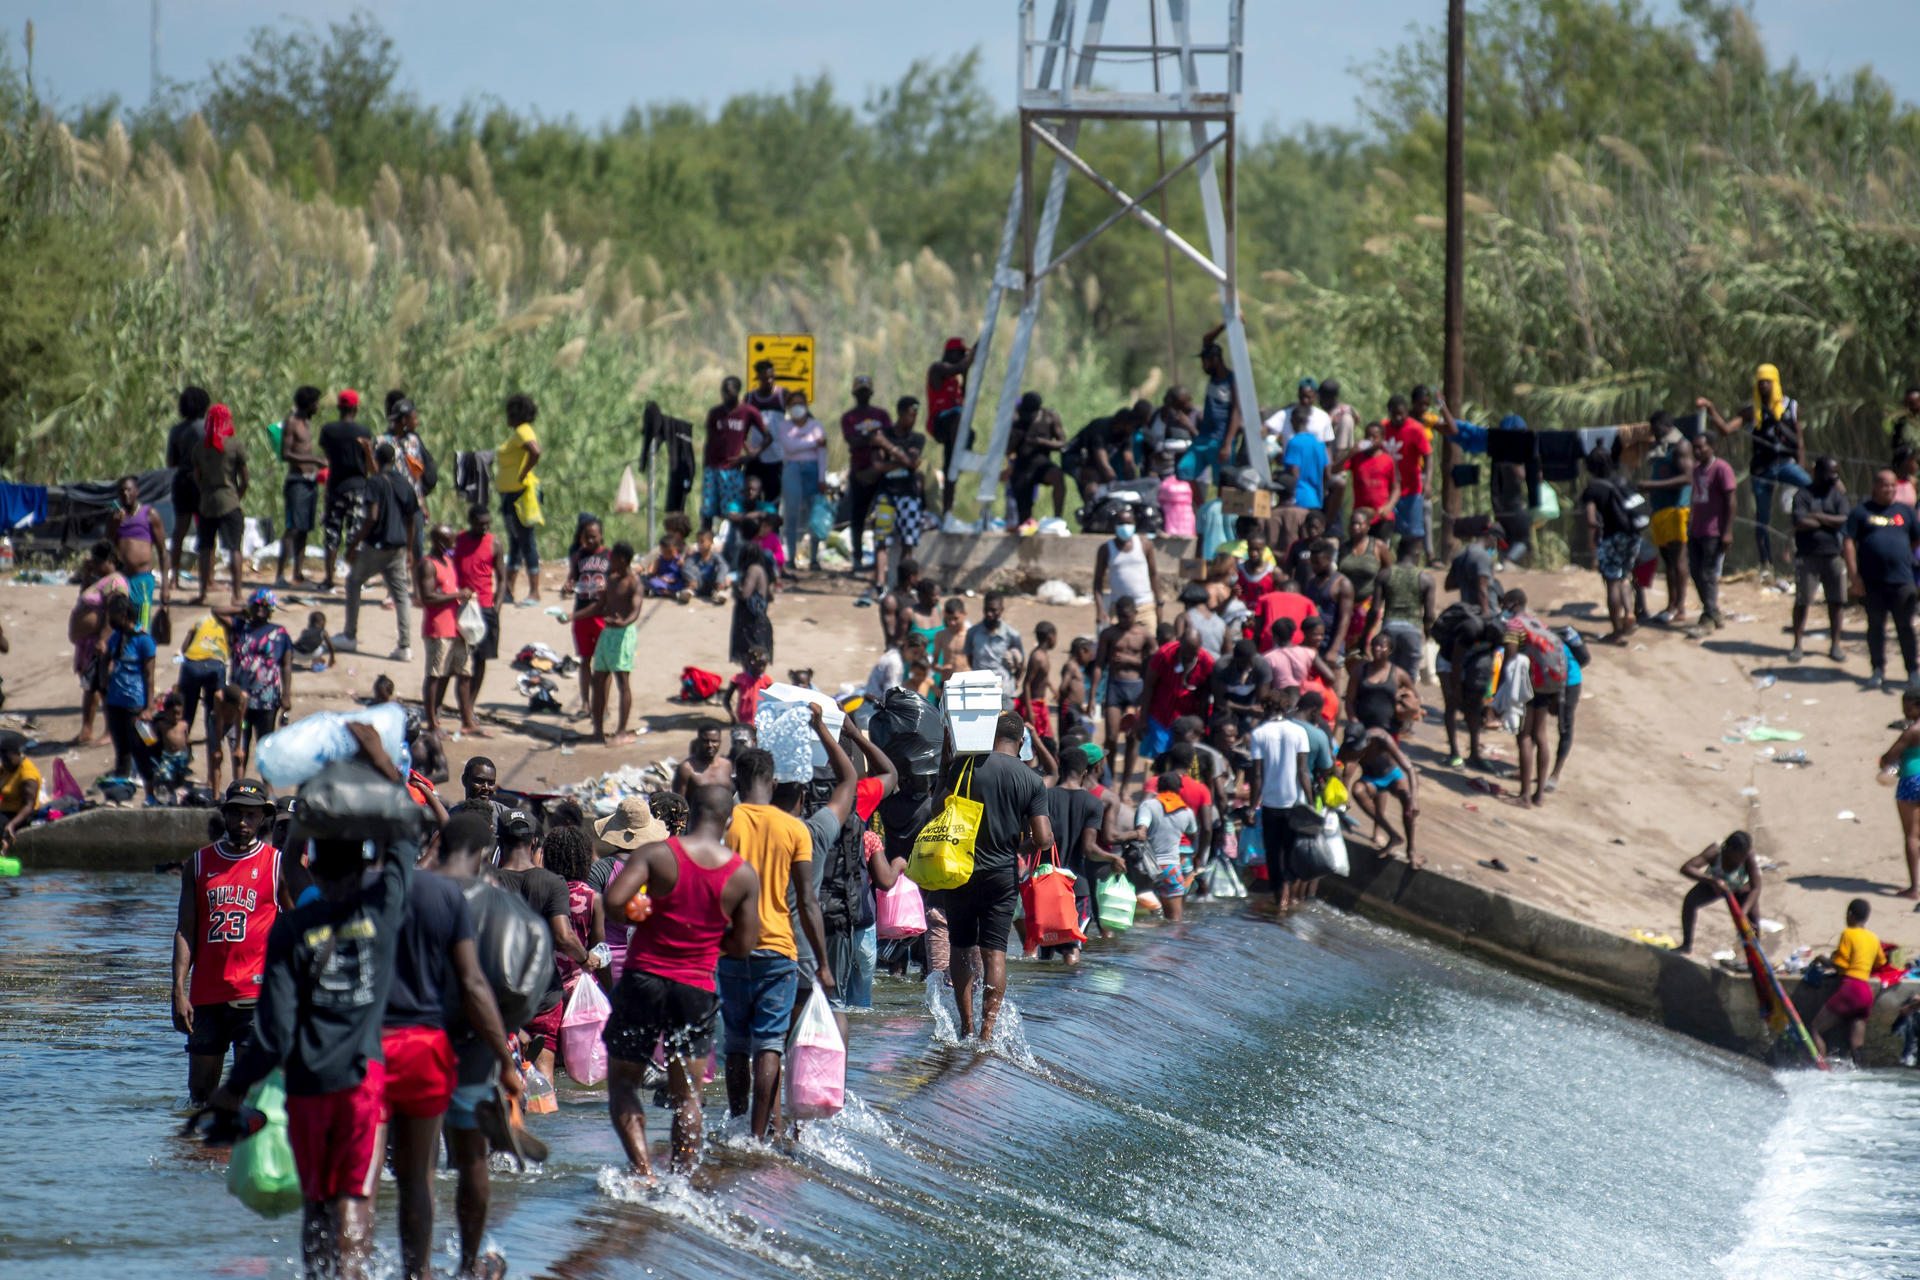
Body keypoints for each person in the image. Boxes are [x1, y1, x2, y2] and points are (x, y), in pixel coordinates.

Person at [203, 743, 414, 1280]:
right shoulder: (384, 914)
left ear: (312, 862)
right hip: (362, 1083)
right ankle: (352, 1274)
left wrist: (233, 1090)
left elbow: (272, 1034)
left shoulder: (292, 930)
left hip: (305, 1087)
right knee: (354, 1197)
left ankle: (324, 1275)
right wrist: (387, 773)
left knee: (316, 1199)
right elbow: (404, 843)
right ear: (366, 865)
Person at [381, 814, 520, 1280]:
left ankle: (411, 1269)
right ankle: (466, 1265)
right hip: (464, 1046)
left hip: (391, 1041)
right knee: (471, 1157)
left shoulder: (393, 888)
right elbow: (488, 984)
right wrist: (505, 1054)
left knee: (408, 1171)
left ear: (438, 842)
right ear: (484, 854)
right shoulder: (489, 900)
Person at [604, 784, 761, 1178]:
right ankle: (681, 1182)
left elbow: (615, 902)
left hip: (644, 979)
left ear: (688, 814)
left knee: (624, 1083)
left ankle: (643, 1173)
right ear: (728, 821)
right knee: (688, 1095)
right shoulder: (741, 874)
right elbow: (743, 945)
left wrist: (650, 915)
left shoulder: (657, 854)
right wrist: (705, 938)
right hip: (696, 988)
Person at [721, 745, 834, 1139]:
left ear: (737, 780)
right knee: (769, 1044)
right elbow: (807, 900)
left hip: (730, 949)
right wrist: (822, 962)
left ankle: (735, 1124)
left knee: (735, 1042)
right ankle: (757, 1136)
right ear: (771, 782)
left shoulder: (726, 822)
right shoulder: (794, 828)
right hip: (779, 950)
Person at [170, 780, 295, 1103]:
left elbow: (299, 927)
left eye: (251, 815)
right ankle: (198, 1154)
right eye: (236, 813)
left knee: (251, 1095)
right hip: (207, 995)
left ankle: (242, 1151)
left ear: (262, 819)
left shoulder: (276, 864)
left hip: (255, 996)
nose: (243, 822)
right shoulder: (198, 864)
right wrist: (178, 990)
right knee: (200, 1094)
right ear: (224, 815)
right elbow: (185, 930)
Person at [943, 712, 1052, 1041]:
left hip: (960, 870)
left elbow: (938, 809)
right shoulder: (1031, 780)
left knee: (961, 948)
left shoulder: (964, 767)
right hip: (1002, 875)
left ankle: (966, 1028)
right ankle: (987, 1034)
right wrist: (1020, 845)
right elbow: (1045, 839)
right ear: (1021, 742)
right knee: (995, 953)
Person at [495, 810, 602, 1082]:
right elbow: (564, 937)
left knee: (502, 1077)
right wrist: (586, 958)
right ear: (534, 843)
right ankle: (544, 1114)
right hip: (543, 993)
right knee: (544, 1076)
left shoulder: (487, 880)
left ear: (500, 841)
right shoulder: (553, 883)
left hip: (499, 993)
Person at [1698, 363, 1807, 580]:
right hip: (1762, 468)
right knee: (1762, 518)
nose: (1764, 385)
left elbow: (1800, 442)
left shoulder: (1791, 406)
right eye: (1760, 382)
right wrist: (1711, 410)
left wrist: (1801, 466)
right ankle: (1765, 562)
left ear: (1775, 382)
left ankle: (1799, 549)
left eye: (1767, 381)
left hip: (1786, 463)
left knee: (1811, 491)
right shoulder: (1752, 411)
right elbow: (1727, 429)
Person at [336, 442, 420, 662]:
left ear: (377, 459)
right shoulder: (404, 482)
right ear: (394, 460)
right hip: (399, 547)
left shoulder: (374, 483)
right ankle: (405, 646)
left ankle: (349, 635)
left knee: (354, 582)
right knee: (401, 595)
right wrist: (410, 548)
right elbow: (412, 518)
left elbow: (372, 517)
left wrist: (353, 544)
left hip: (377, 545)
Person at [1844, 468, 1920, 690]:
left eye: (1893, 485)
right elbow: (1848, 542)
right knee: (1875, 627)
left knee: (1905, 627)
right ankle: (1877, 669)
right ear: (1875, 487)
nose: (1889, 489)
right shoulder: (1861, 512)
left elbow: (1916, 540)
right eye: (1885, 485)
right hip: (1873, 582)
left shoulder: (1904, 512)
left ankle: (1912, 672)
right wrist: (1854, 576)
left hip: (1902, 580)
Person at [1248, 690, 1314, 909]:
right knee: (1291, 851)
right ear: (1287, 708)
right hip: (1295, 804)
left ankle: (1280, 900)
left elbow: (1257, 775)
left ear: (1266, 707)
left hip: (1270, 805)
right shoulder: (1298, 732)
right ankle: (1288, 900)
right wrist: (1311, 803)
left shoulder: (1259, 734)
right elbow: (1303, 772)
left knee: (1274, 853)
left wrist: (1252, 806)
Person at [1501, 588, 1563, 807]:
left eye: (1505, 602)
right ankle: (1539, 795)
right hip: (1547, 684)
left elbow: (1509, 659)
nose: (1502, 606)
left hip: (1528, 684)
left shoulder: (1515, 624)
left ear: (1513, 602)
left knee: (1524, 736)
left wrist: (1501, 692)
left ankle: (1525, 795)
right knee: (1541, 735)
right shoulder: (1538, 623)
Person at [576, 540, 642, 744]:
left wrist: (623, 622)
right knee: (598, 680)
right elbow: (599, 606)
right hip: (607, 634)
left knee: (622, 682)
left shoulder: (634, 582)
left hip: (624, 636)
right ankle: (598, 730)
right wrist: (573, 615)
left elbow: (635, 611)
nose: (609, 562)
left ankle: (621, 731)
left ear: (622, 560)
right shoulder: (611, 580)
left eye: (612, 558)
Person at [417, 524, 479, 738]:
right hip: (437, 629)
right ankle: (432, 723)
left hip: (456, 628)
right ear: (439, 542)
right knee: (435, 675)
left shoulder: (448, 562)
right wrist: (457, 595)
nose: (453, 546)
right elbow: (427, 597)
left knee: (463, 673)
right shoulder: (428, 565)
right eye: (450, 542)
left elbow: (451, 591)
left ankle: (467, 720)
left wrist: (462, 596)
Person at [1808, 899, 1886, 1068]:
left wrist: (1822, 959)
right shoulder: (1873, 938)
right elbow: (1880, 962)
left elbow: (1840, 965)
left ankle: (1822, 1072)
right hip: (1866, 993)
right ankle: (1861, 1076)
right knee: (1857, 1046)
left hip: (1850, 989)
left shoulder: (1848, 933)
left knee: (1815, 1028)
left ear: (1850, 914)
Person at [1789, 456, 1849, 663]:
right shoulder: (1803, 494)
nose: (1832, 478)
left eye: (1835, 474)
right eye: (1828, 474)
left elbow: (1844, 520)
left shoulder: (1838, 495)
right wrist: (1828, 521)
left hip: (1833, 555)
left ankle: (1836, 645)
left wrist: (1817, 517)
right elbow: (1799, 520)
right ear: (1817, 472)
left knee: (1836, 601)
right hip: (1808, 556)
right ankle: (1797, 644)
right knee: (1803, 601)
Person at [1579, 446, 1642, 643]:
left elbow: (1591, 520)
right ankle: (1630, 613)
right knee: (1625, 577)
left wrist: (1598, 535)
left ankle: (1616, 632)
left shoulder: (1593, 488)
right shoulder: (1624, 482)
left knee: (1612, 581)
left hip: (1612, 537)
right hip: (1632, 536)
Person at [230, 589, 294, 781]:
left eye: (265, 606)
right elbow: (217, 611)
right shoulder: (240, 628)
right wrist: (244, 609)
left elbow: (286, 665)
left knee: (265, 743)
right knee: (240, 743)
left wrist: (287, 694)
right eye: (257, 605)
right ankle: (239, 785)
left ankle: (268, 787)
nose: (260, 609)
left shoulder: (279, 633)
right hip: (240, 698)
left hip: (267, 699)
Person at [318, 389, 377, 593]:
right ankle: (356, 579)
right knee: (355, 533)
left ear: (339, 407)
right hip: (358, 487)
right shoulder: (363, 432)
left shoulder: (328, 431)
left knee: (332, 533)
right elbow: (370, 467)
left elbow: (327, 456)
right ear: (355, 408)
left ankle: (328, 579)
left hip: (335, 486)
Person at [99, 593, 158, 796]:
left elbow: (149, 676)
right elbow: (105, 658)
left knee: (140, 750)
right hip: (115, 701)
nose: (110, 619)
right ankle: (121, 792)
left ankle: (150, 793)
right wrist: (104, 681)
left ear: (123, 614)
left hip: (135, 703)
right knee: (121, 751)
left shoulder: (144, 640)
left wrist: (149, 707)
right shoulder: (116, 637)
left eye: (112, 615)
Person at [1638, 411, 1693, 624]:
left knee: (1678, 558)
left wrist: (1651, 486)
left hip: (1676, 509)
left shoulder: (1680, 446)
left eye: (1655, 428)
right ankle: (1671, 605)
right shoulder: (1662, 448)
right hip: (1660, 509)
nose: (1653, 432)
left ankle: (1680, 606)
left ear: (1664, 425)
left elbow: (1687, 477)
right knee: (1668, 560)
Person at [868, 403, 928, 596]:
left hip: (909, 495)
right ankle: (879, 584)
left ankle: (904, 585)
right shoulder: (882, 433)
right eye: (911, 414)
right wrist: (903, 461)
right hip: (886, 494)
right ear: (901, 414)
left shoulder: (916, 438)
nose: (914, 419)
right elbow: (877, 466)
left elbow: (913, 463)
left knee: (908, 542)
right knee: (881, 540)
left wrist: (886, 446)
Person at [192, 403, 249, 606]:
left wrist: (205, 492)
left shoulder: (200, 447)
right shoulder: (235, 446)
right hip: (229, 501)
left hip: (207, 502)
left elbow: (197, 477)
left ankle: (202, 593)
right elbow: (245, 479)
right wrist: (236, 496)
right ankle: (237, 594)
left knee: (205, 548)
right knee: (234, 548)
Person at [1094, 594, 1153, 785]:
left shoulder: (1144, 635)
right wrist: (1094, 693)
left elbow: (1153, 664)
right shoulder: (1109, 634)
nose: (1123, 620)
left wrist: (1131, 660)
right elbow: (1099, 665)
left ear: (1135, 614)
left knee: (1132, 738)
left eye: (1127, 616)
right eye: (1120, 616)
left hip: (1136, 688)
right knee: (1111, 736)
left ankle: (1125, 786)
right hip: (1115, 686)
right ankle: (1110, 780)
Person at [1684, 431, 1738, 638]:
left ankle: (1708, 617)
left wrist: (1727, 531)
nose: (1697, 451)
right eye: (1694, 448)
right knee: (1696, 571)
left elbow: (1731, 501)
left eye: (1701, 447)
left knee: (1708, 573)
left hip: (1714, 531)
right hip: (1696, 529)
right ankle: (1712, 611)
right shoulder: (1697, 470)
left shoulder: (1722, 469)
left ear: (1712, 447)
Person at [452, 504, 506, 705]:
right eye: (480, 524)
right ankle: (461, 703)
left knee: (480, 659)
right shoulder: (459, 541)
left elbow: (502, 578)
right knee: (457, 658)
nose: (485, 528)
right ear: (471, 522)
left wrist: (496, 606)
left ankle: (470, 704)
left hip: (484, 608)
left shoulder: (495, 544)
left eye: (487, 524)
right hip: (460, 607)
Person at [1675, 831, 1761, 956]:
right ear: (1730, 850)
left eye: (1744, 855)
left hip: (1741, 889)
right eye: (1739, 855)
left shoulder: (1748, 856)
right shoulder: (1716, 851)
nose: (1742, 858)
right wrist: (1713, 881)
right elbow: (1687, 868)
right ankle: (1686, 945)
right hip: (1716, 885)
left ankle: (1754, 957)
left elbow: (1756, 888)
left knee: (1752, 924)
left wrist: (1743, 912)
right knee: (1690, 902)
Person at [841, 374, 893, 576]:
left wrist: (868, 439)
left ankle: (881, 560)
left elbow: (888, 439)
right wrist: (873, 438)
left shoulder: (881, 414)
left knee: (882, 516)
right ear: (855, 393)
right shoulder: (849, 417)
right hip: (860, 472)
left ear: (870, 393)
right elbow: (852, 441)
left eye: (866, 391)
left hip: (880, 472)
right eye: (859, 391)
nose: (863, 395)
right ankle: (857, 559)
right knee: (858, 516)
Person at [495, 393, 543, 603]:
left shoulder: (523, 431)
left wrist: (522, 475)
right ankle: (509, 589)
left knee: (526, 541)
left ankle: (534, 591)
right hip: (510, 494)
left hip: (520, 495)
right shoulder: (516, 433)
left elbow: (535, 451)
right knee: (515, 542)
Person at [1184, 325, 1242, 497]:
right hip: (1204, 438)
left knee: (1223, 484)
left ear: (1215, 360)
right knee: (1184, 470)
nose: (1203, 366)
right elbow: (1207, 339)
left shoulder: (1232, 380)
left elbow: (1236, 412)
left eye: (1205, 361)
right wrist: (1229, 322)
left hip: (1221, 440)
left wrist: (1227, 444)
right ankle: (1201, 506)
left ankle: (1220, 516)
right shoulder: (1213, 378)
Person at [274, 386, 323, 587]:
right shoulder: (292, 423)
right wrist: (313, 459)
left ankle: (298, 573)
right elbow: (286, 454)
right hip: (297, 482)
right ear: (309, 404)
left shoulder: (305, 423)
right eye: (316, 403)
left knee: (303, 529)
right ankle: (279, 575)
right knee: (292, 528)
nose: (318, 407)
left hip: (310, 481)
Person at [1140, 632, 1215, 764]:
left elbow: (1206, 696)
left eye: (1193, 653)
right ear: (1180, 643)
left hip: (1188, 722)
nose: (1188, 656)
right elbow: (1149, 686)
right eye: (1185, 651)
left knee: (1184, 761)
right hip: (1161, 717)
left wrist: (1202, 727)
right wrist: (1143, 718)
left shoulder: (1206, 663)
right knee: (1160, 760)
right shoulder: (1164, 655)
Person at [702, 375, 763, 535]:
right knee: (707, 510)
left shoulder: (748, 412)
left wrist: (749, 456)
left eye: (729, 392)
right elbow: (709, 440)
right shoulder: (715, 413)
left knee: (731, 510)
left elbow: (768, 436)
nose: (725, 395)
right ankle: (707, 543)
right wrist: (705, 466)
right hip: (712, 467)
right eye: (723, 391)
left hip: (731, 470)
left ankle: (732, 542)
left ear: (737, 392)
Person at [165, 385, 211, 596]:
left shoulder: (176, 430)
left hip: (181, 481)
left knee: (179, 531)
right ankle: (207, 578)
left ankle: (173, 577)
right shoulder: (206, 429)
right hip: (202, 482)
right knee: (207, 531)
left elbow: (171, 462)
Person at [109, 474, 170, 631]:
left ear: (137, 492)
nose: (125, 494)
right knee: (119, 622)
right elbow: (106, 546)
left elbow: (163, 552)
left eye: (129, 490)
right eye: (122, 491)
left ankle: (143, 653)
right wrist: (115, 525)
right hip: (121, 579)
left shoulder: (149, 515)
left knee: (141, 625)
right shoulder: (115, 517)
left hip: (142, 580)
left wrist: (165, 588)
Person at [776, 388, 826, 573]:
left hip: (813, 471)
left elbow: (822, 454)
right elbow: (790, 447)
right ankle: (790, 558)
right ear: (789, 407)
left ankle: (814, 558)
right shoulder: (784, 426)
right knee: (791, 514)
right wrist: (814, 443)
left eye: (800, 403)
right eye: (793, 403)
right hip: (792, 470)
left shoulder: (816, 425)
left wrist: (822, 478)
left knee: (814, 517)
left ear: (806, 405)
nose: (797, 407)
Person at [926, 337, 976, 515]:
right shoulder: (938, 369)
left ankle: (947, 511)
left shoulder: (957, 376)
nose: (962, 356)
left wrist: (966, 373)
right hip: (940, 422)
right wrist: (974, 353)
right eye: (960, 353)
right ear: (950, 353)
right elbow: (961, 366)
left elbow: (965, 393)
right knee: (960, 420)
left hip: (955, 425)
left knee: (951, 467)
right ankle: (959, 456)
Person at [1879, 689, 1920, 900]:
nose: (1903, 710)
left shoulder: (1911, 732)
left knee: (1911, 835)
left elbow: (1889, 756)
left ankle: (1915, 887)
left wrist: (1884, 763)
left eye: (1907, 706)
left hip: (1912, 780)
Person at [1006, 391, 1068, 526]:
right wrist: (1016, 438)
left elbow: (1062, 443)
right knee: (1024, 515)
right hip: (1022, 467)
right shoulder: (1016, 419)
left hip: (1042, 464)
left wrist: (1040, 442)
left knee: (1057, 476)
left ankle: (1057, 519)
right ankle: (1026, 529)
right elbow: (1007, 450)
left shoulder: (1050, 416)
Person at [1093, 519, 1160, 630]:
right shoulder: (1106, 549)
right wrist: (1100, 609)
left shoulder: (1144, 544)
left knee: (1149, 641)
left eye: (1129, 523)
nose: (1125, 526)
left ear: (1134, 524)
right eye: (1121, 523)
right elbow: (1098, 581)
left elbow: (1153, 574)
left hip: (1144, 606)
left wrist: (1159, 602)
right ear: (1115, 525)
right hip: (1119, 610)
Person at [1337, 418, 1400, 533]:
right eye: (1368, 436)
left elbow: (1396, 488)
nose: (1370, 440)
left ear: (1382, 439)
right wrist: (1350, 453)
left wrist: (1388, 507)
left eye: (1374, 437)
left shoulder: (1388, 460)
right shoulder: (1357, 457)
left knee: (1380, 547)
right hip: (1361, 517)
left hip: (1382, 516)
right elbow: (1335, 470)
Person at [963, 590, 1025, 698]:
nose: (989, 614)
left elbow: (1021, 662)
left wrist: (1015, 682)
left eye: (993, 610)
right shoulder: (973, 632)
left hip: (1004, 692)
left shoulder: (1012, 634)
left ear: (1001, 610)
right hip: (978, 691)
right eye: (986, 609)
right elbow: (970, 658)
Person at [1281, 392, 1331, 510]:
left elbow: (1294, 471)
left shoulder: (1295, 442)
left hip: (1299, 498)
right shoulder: (1319, 444)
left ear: (1293, 421)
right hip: (1316, 500)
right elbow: (1327, 472)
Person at [729, 544, 775, 668]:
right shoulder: (761, 569)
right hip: (758, 623)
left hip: (752, 625)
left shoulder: (753, 570)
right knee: (756, 661)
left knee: (752, 661)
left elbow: (745, 594)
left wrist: (734, 585)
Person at [0, 735, 40, 847]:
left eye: (8, 759)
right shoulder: (7, 769)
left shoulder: (27, 776)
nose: (5, 763)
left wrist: (12, 825)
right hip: (5, 811)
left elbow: (29, 806)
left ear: (17, 754)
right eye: (2, 759)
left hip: (20, 815)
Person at [673, 726, 735, 797]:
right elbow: (679, 802)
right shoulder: (686, 769)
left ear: (720, 742)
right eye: (705, 741)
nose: (710, 745)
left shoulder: (727, 765)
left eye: (714, 741)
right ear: (698, 742)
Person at [726, 645, 773, 727]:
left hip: (761, 723)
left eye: (764, 665)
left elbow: (774, 702)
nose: (761, 669)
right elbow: (726, 699)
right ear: (750, 663)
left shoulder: (767, 681)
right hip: (742, 721)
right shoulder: (739, 679)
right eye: (759, 665)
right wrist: (733, 716)